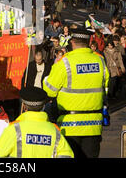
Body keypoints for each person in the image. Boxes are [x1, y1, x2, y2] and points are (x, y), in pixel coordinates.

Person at [43, 28, 109, 158]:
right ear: (89, 42)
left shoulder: (65, 63)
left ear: (72, 42)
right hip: (94, 125)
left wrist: (46, 79)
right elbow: (106, 88)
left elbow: (49, 91)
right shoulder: (100, 61)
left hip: (69, 125)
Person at [0, 87, 74, 158]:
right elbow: (67, 154)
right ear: (43, 107)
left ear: (24, 106)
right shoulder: (54, 131)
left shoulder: (14, 129)